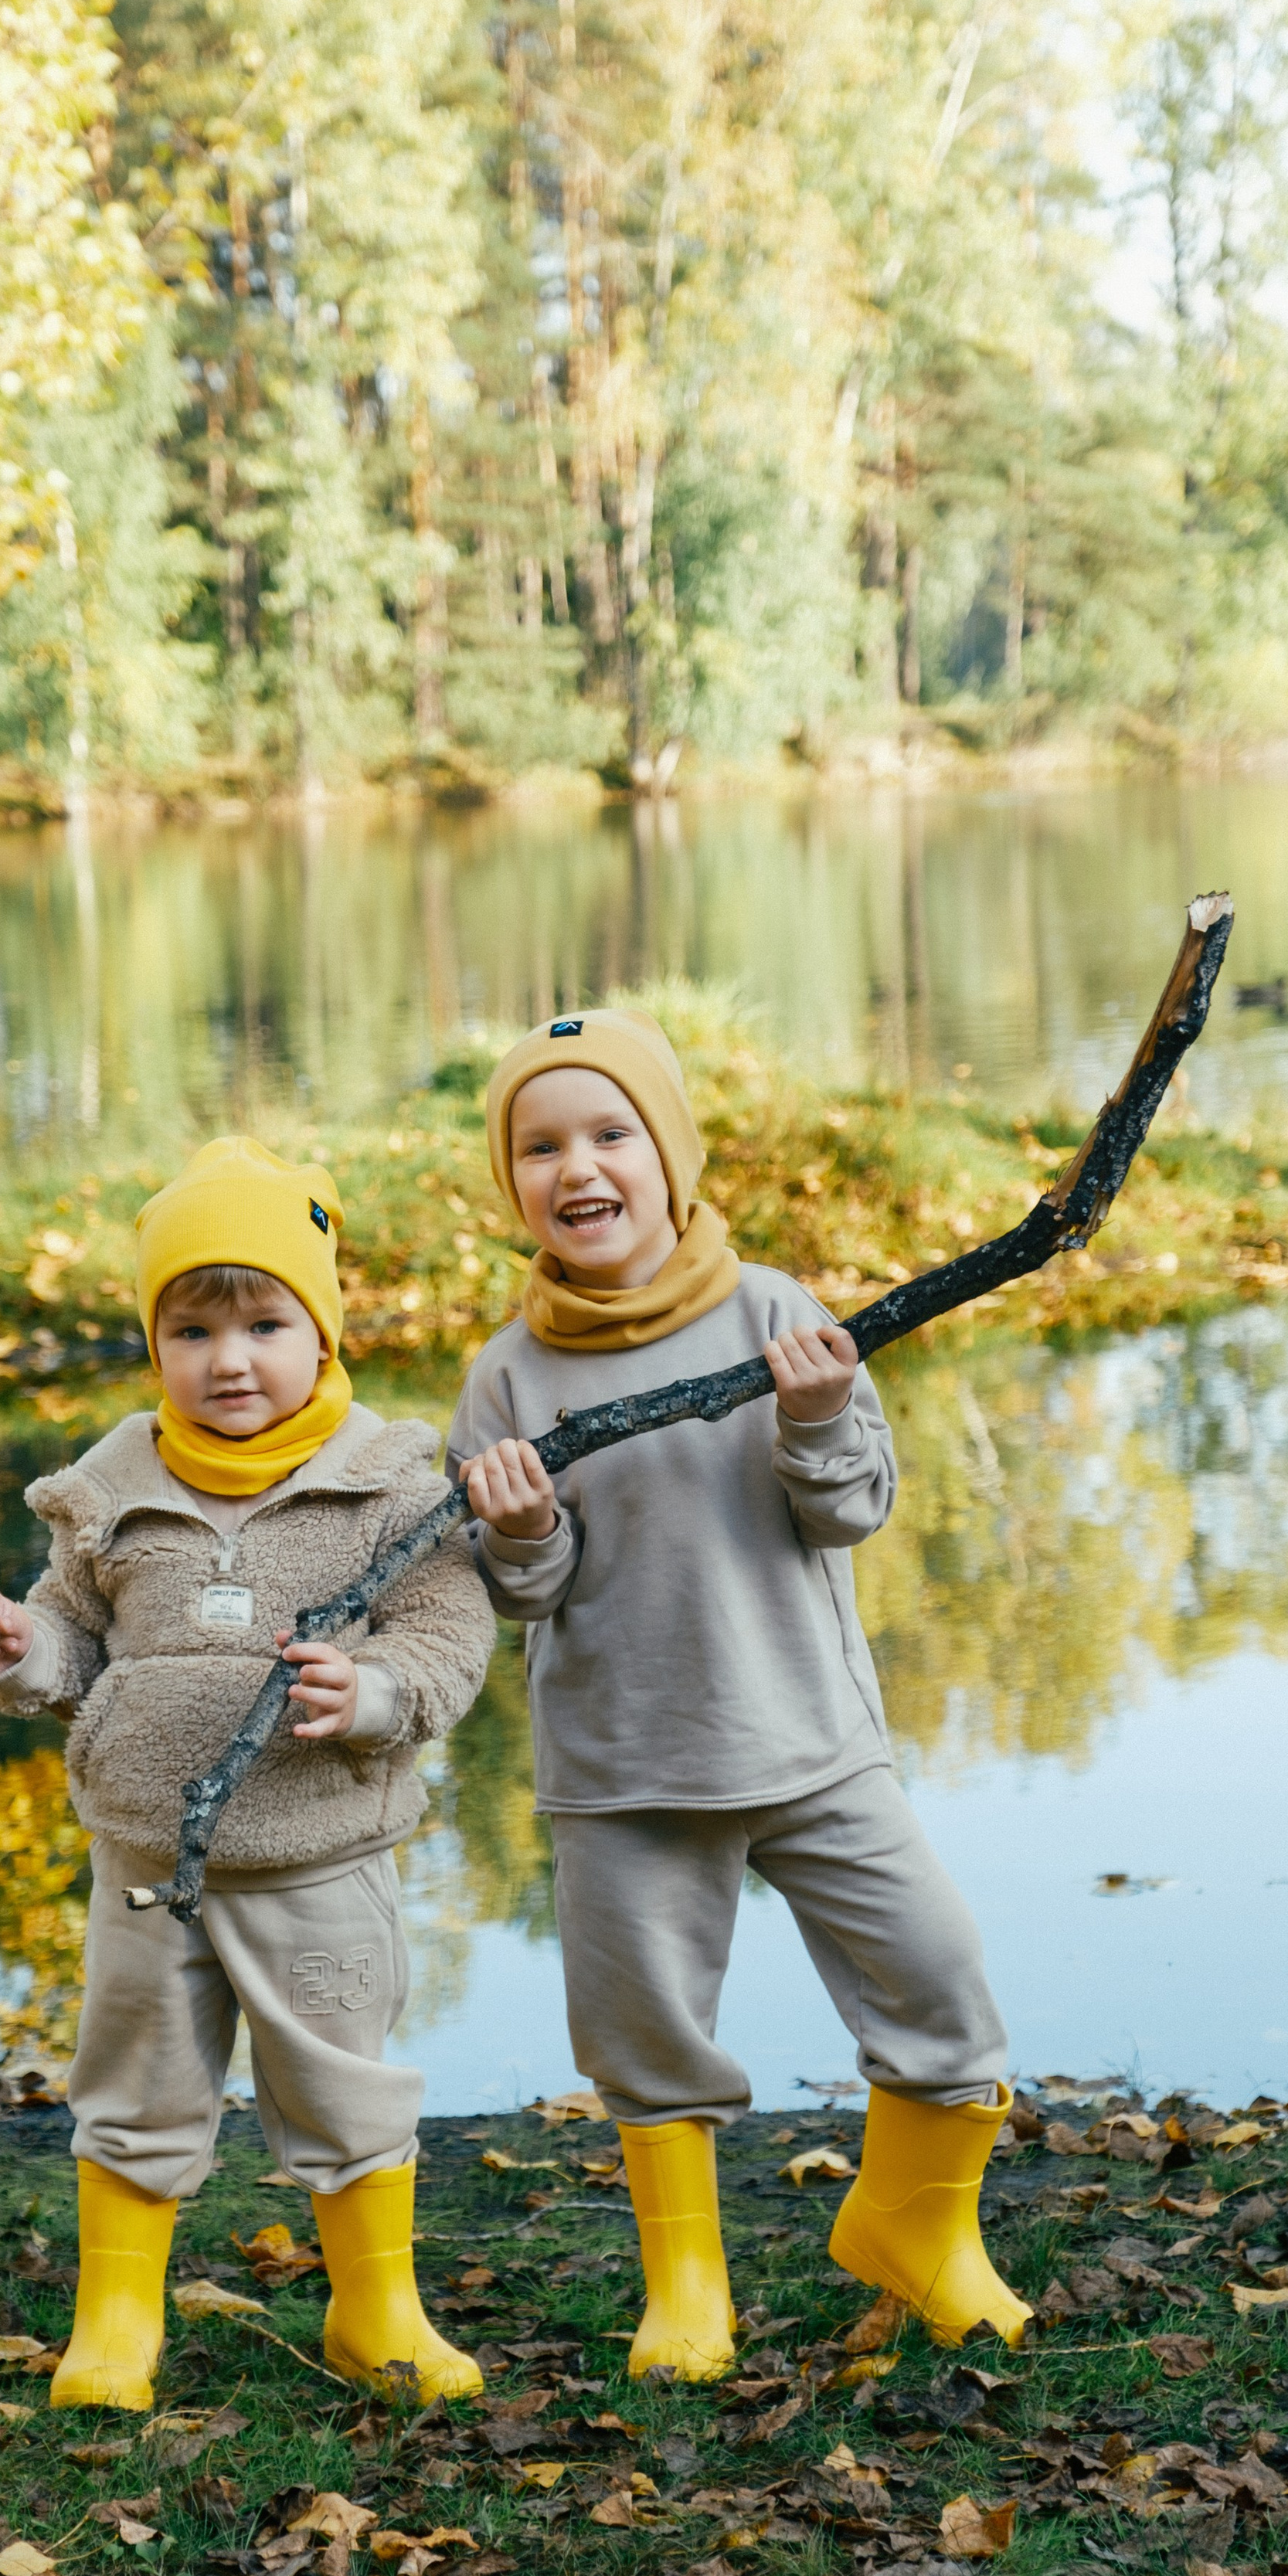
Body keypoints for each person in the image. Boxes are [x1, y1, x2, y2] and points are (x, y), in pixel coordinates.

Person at [447, 1008, 1028, 2381]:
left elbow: (857, 1512)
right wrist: (523, 1532)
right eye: (540, 1146)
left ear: (671, 1153)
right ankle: (688, 2288)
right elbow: (519, 1594)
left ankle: (916, 2230)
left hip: (809, 1736)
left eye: (610, 1134)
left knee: (939, 1979)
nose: (578, 1167)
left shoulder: (774, 1310)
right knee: (644, 2029)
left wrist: (819, 1420)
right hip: (626, 1767)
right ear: (510, 1182)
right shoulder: (508, 1373)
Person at [0, 1137, 495, 2411]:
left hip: (320, 1855)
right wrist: (23, 1654)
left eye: (264, 1323)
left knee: (344, 2083)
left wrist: (372, 1697)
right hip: (146, 1863)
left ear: (322, 1328)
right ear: (156, 1345)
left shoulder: (388, 1487)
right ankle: (118, 2319)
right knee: (136, 2081)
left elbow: (446, 1639)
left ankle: (376, 2308)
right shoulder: (111, 1490)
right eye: (192, 1330)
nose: (230, 1360)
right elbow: (76, 1640)